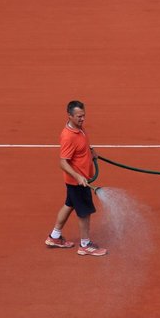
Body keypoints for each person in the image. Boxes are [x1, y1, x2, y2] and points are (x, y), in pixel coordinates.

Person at [45, 100, 107, 255]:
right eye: (79, 116)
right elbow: (63, 163)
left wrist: (90, 150)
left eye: (83, 115)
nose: (82, 119)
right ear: (70, 116)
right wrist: (78, 177)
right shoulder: (68, 136)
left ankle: (54, 236)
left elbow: (81, 146)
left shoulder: (79, 128)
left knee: (69, 205)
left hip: (79, 180)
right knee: (84, 213)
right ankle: (85, 245)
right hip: (78, 182)